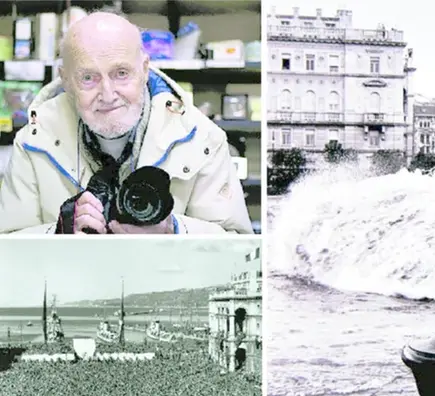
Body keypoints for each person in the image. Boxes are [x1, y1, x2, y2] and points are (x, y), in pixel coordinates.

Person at [0, 12, 253, 234]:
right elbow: (6, 248)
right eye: (88, 78)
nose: (108, 94)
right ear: (65, 81)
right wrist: (58, 232)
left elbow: (239, 248)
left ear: (144, 69)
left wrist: (174, 230)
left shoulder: (202, 139)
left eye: (121, 73)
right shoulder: (33, 142)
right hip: (66, 287)